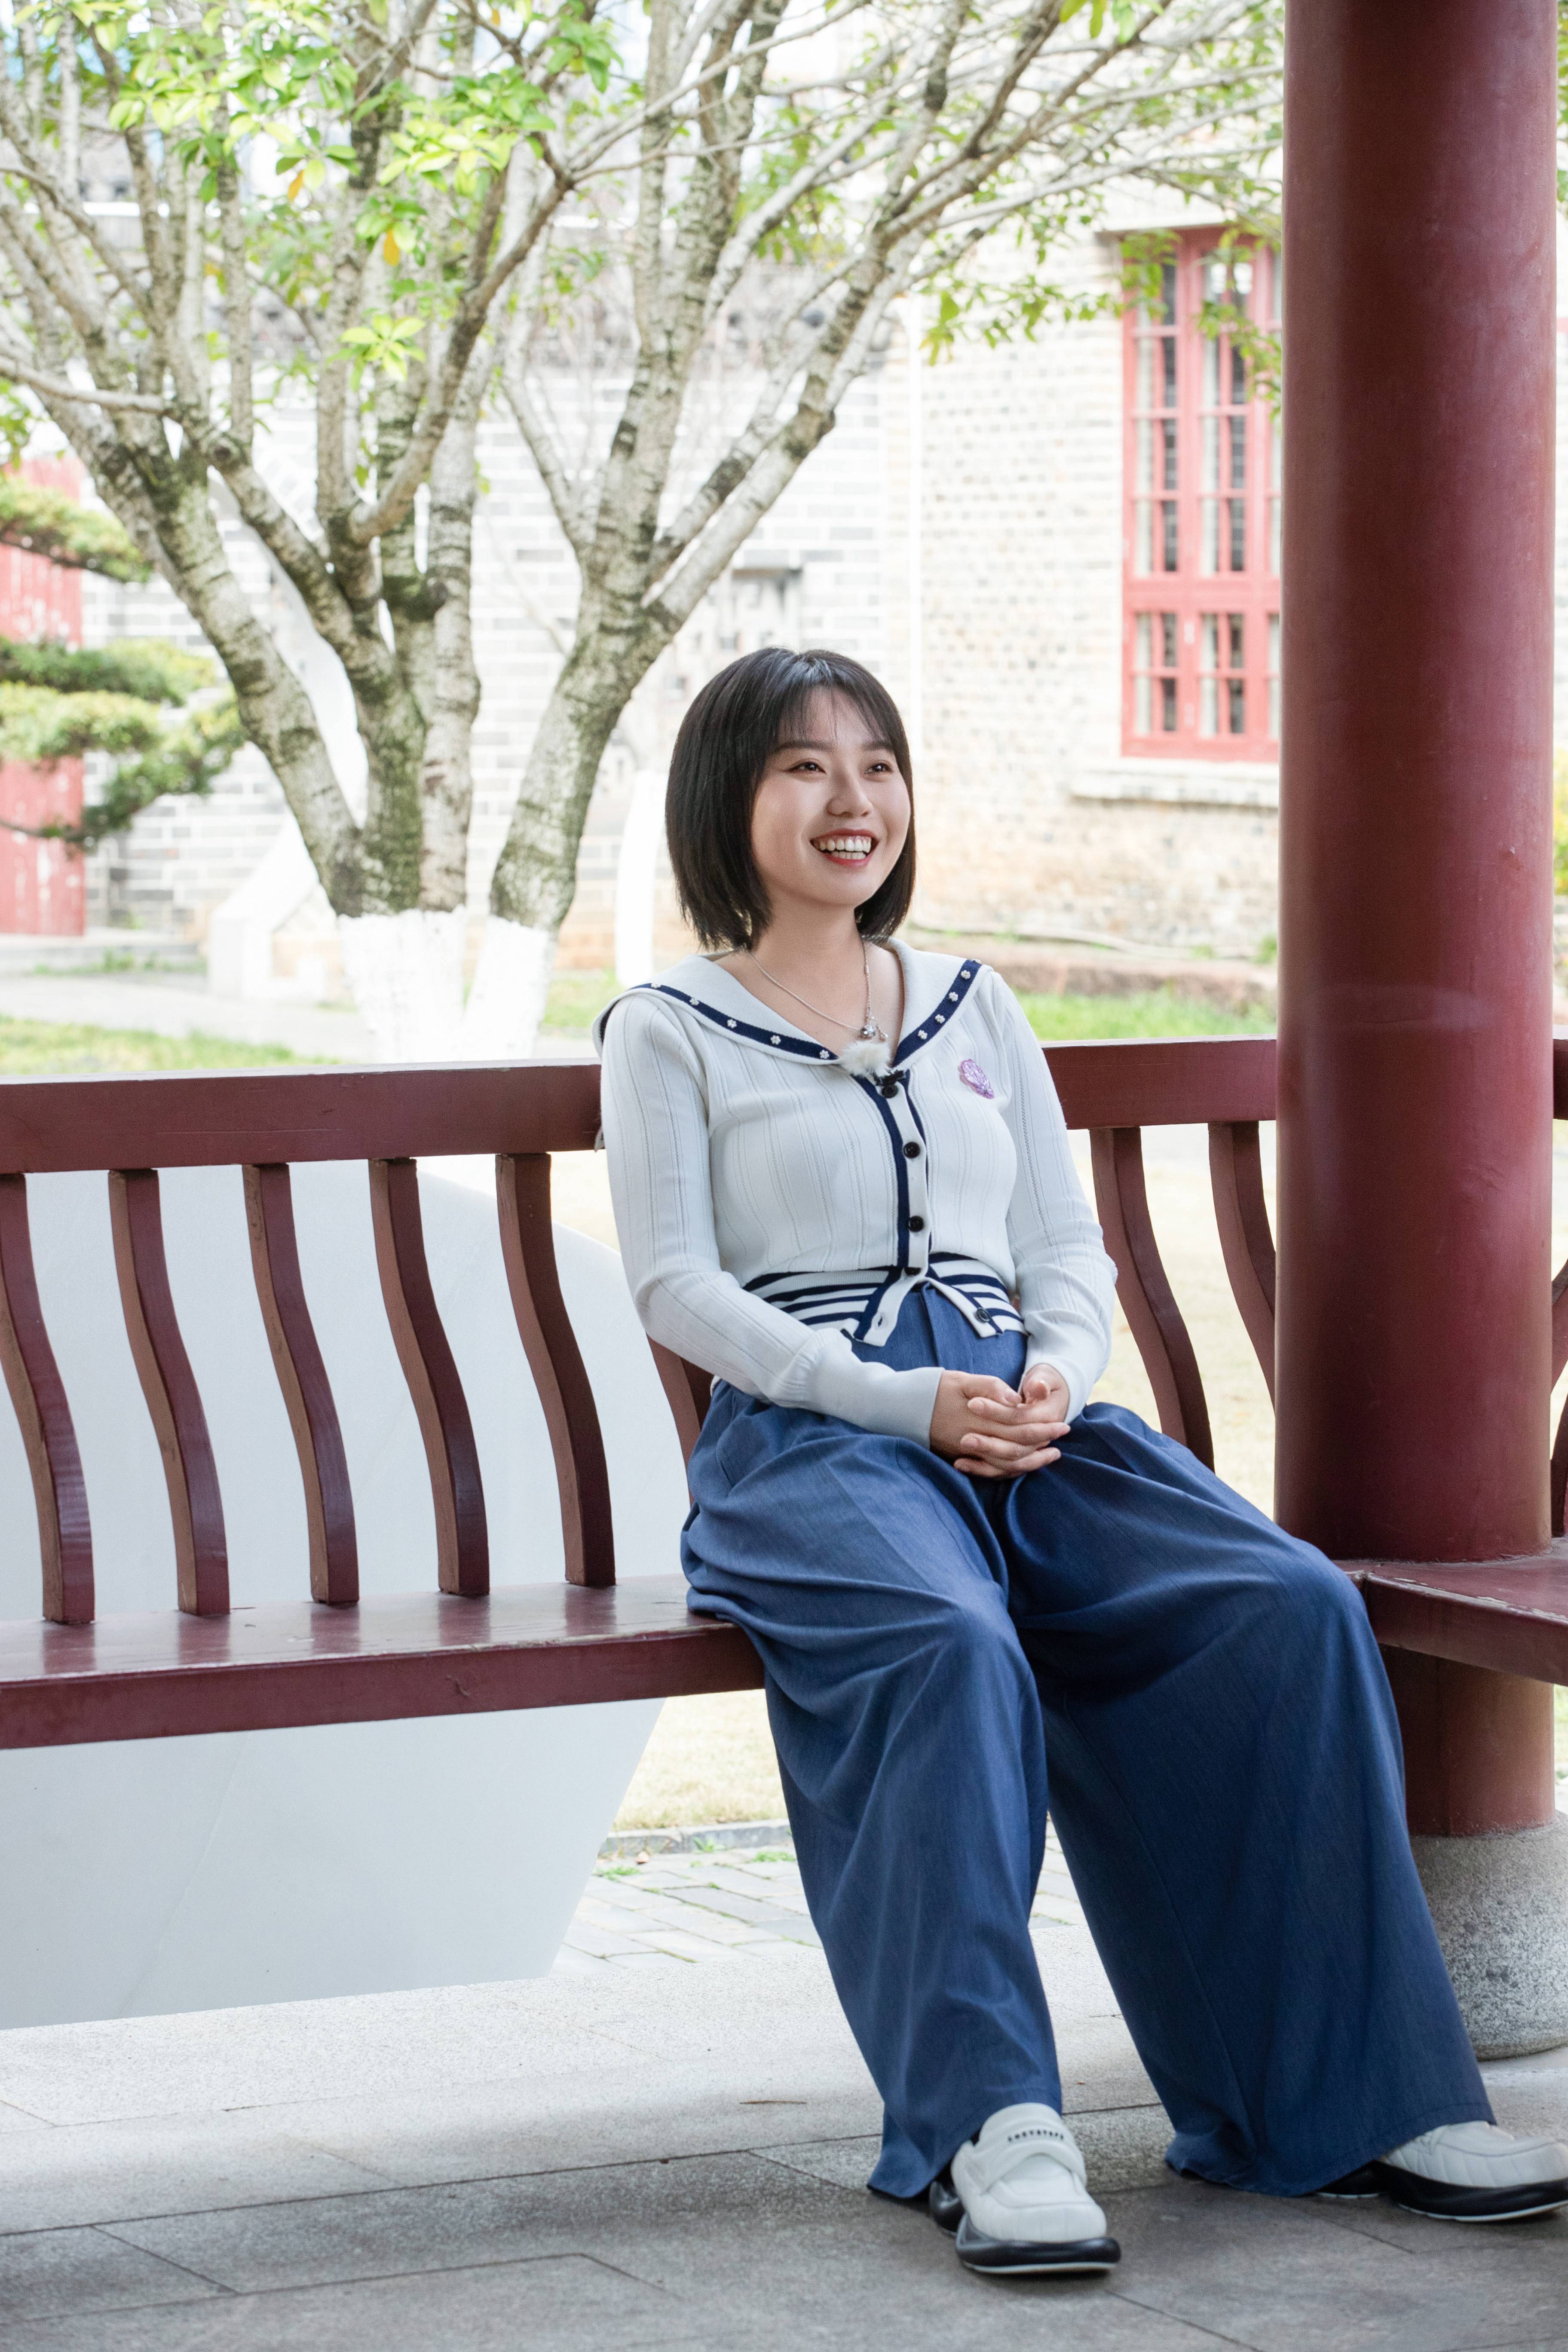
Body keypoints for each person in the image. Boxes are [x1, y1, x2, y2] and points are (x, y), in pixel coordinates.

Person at [594, 646, 1568, 2278]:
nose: (852, 801)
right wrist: (899, 1405)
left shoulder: (975, 1003)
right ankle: (990, 2125)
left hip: (1026, 1424)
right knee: (947, 1644)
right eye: (804, 768)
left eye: (879, 765)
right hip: (818, 1448)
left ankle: (1352, 2100)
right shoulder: (670, 1028)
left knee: (1283, 1609)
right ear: (726, 799)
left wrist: (1056, 1370)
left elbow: (1064, 1244)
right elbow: (676, 1284)